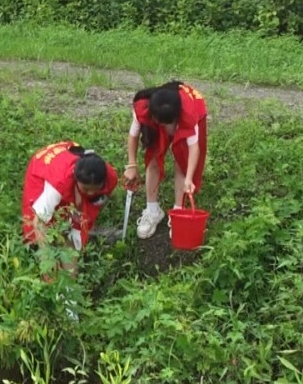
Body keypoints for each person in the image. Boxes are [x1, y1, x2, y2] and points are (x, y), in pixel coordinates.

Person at [125, 81, 208, 239]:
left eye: (168, 124)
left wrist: (189, 178)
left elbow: (194, 148)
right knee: (153, 158)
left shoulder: (189, 115)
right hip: (161, 116)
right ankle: (152, 210)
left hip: (190, 112)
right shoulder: (144, 109)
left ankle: (178, 211)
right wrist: (132, 165)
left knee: (181, 162)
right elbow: (133, 135)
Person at [22, 141, 118, 275]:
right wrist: (47, 259)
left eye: (96, 189)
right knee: (49, 226)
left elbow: (94, 202)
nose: (91, 193)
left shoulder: (107, 175)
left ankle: (70, 278)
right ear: (76, 179)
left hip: (67, 153)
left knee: (73, 229)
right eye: (86, 189)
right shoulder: (58, 183)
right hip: (43, 165)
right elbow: (38, 221)